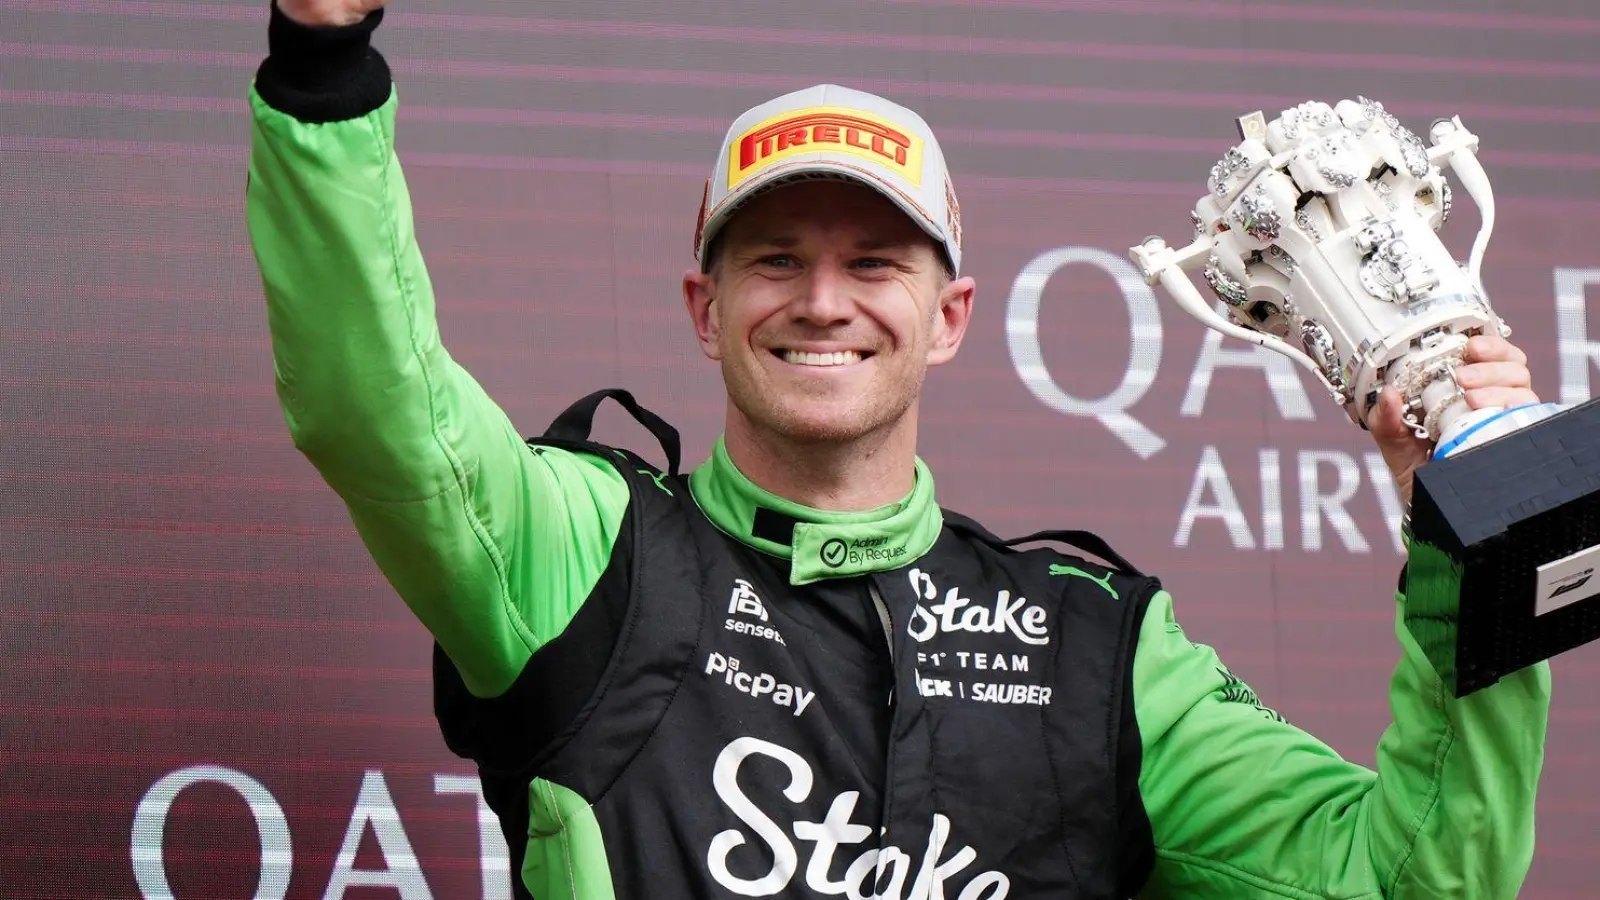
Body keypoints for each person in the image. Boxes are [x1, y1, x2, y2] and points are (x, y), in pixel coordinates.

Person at [245, 1, 1551, 897]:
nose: (823, 301)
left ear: (949, 317)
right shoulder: (585, 551)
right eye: (774, 262)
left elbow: (1406, 877)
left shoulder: (1099, 649)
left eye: (874, 261)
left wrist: (1479, 522)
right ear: (706, 310)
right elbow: (380, 411)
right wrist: (324, 59)